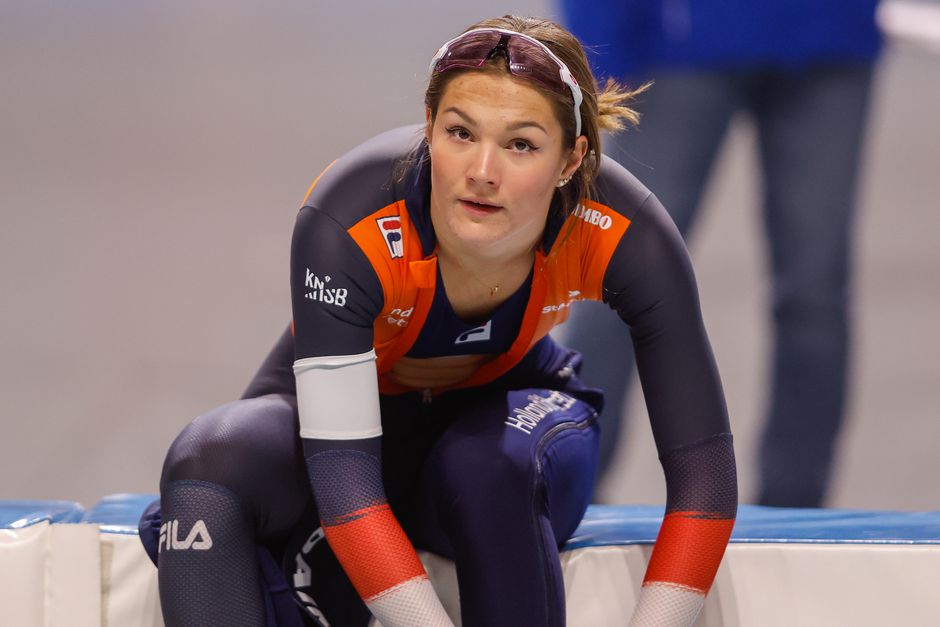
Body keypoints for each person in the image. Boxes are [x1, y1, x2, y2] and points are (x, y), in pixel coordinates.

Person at [138, 14, 737, 627]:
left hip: (505, 431)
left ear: (570, 160)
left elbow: (705, 488)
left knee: (488, 467)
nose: (483, 171)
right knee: (207, 463)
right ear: (428, 130)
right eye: (460, 133)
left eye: (521, 144)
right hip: (351, 444)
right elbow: (345, 491)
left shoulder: (626, 229)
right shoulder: (350, 214)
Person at [558, 0, 881, 507]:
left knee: (815, 291)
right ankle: (565, 484)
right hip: (676, 39)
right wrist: (594, 46)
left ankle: (797, 518)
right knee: (616, 269)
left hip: (831, 34)